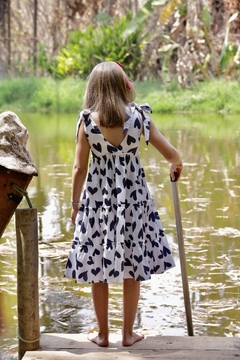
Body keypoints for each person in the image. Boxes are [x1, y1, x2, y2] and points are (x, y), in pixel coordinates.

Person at [64, 61, 183, 347]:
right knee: (133, 262)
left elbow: (79, 168)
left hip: (97, 203)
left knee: (96, 264)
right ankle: (128, 334)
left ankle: (104, 335)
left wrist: (74, 203)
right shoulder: (140, 117)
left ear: (93, 89)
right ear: (123, 86)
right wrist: (176, 165)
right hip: (133, 202)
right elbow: (171, 154)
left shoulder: (87, 121)